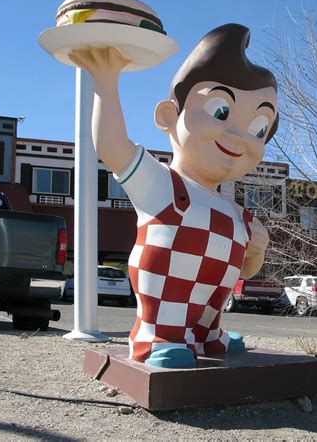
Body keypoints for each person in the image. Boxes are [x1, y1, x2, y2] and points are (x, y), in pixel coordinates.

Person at [69, 23, 279, 368]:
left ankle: (207, 335)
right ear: (169, 116)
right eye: (221, 111)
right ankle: (157, 337)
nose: (238, 135)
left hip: (211, 307)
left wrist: (258, 248)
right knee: (171, 301)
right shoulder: (163, 183)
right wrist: (105, 81)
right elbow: (111, 145)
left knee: (212, 303)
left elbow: (244, 272)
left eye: (259, 128)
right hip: (165, 302)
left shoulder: (235, 212)